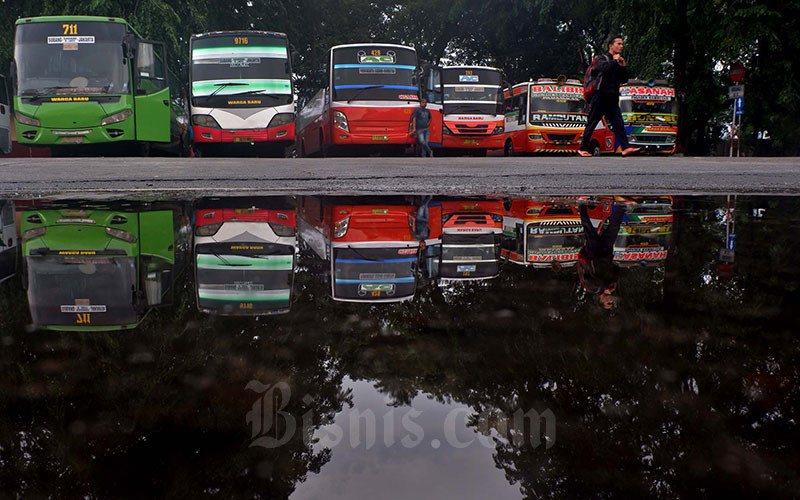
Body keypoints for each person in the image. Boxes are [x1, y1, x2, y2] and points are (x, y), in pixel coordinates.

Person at [578, 36, 641, 157]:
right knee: (592, 122)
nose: (621, 46)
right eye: (618, 44)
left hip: (612, 97)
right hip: (600, 95)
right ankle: (583, 148)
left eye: (622, 44)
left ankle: (625, 147)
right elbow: (603, 69)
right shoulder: (601, 58)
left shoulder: (617, 61)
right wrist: (614, 61)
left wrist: (623, 66)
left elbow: (623, 79)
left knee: (618, 123)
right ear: (611, 46)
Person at [576, 200, 627, 309]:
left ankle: (581, 204)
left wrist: (605, 287)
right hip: (606, 253)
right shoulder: (610, 285)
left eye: (608, 303)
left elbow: (592, 279)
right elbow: (616, 268)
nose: (611, 301)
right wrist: (614, 281)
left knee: (588, 228)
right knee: (614, 228)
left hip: (593, 254)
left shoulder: (592, 289)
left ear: (601, 301)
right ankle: (622, 205)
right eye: (612, 303)